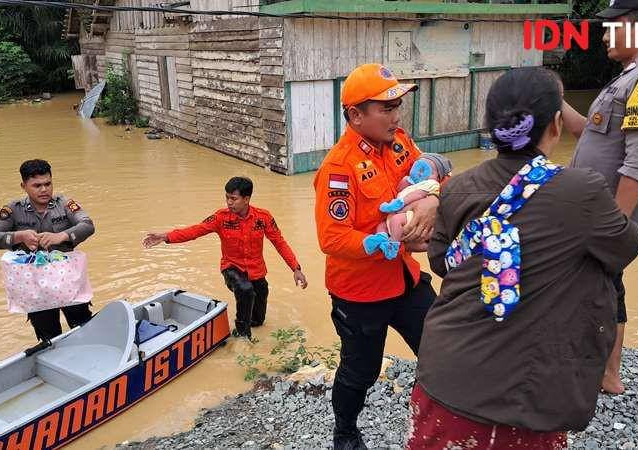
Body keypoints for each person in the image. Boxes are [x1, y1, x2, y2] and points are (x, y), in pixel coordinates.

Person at [411, 67, 638, 449]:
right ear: (555, 123)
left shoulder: (457, 188)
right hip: (525, 398)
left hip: (444, 376)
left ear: (490, 126)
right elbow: (625, 247)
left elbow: (441, 263)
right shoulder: (582, 190)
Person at [313, 63, 439, 450]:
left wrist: (433, 196)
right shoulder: (339, 168)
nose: (396, 116)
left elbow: (429, 178)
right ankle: (345, 434)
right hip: (360, 293)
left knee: (441, 346)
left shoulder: (399, 141)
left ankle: (442, 421)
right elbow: (331, 238)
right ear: (355, 115)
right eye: (386, 108)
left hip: (404, 277)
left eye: (398, 105)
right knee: (360, 371)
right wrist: (374, 244)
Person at [562, 0, 638, 394]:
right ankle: (605, 372)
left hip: (607, 217)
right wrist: (552, 97)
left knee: (602, 288)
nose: (606, 33)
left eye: (614, 25)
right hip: (594, 213)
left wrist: (614, 228)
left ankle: (608, 375)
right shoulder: (625, 79)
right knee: (604, 287)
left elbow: (637, 165)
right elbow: (587, 134)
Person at [142, 177, 307, 339]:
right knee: (245, 289)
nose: (229, 202)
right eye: (227, 198)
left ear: (246, 199)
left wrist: (295, 268)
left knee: (258, 320)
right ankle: (242, 336)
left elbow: (279, 242)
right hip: (231, 268)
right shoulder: (221, 217)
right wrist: (166, 236)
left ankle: (250, 326)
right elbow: (195, 231)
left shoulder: (263, 218)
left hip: (257, 272)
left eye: (233, 199)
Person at [0, 159, 95, 342]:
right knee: (48, 336)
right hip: (35, 286)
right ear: (23, 186)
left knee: (83, 323)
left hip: (68, 280)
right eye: (37, 185)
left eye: (48, 184)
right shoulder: (13, 209)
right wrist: (19, 236)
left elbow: (88, 225)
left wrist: (63, 236)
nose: (44, 190)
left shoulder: (64, 204)